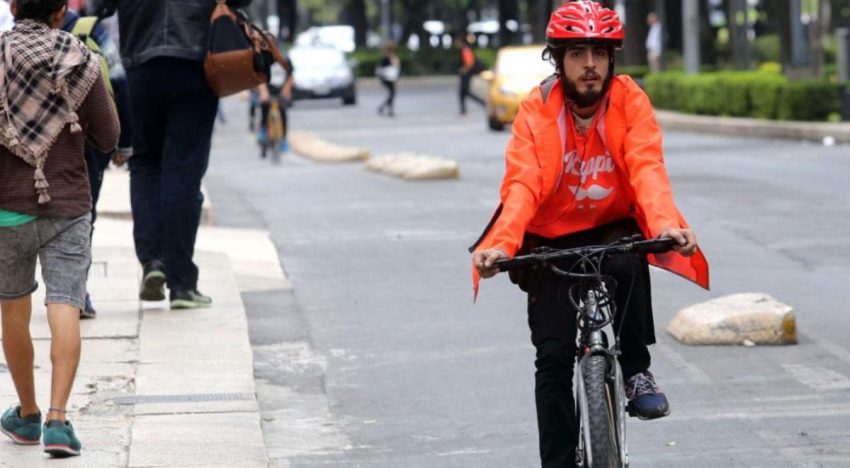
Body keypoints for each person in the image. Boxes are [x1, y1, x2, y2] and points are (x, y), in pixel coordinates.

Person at [469, 2, 709, 466]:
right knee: (554, 358)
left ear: (612, 59)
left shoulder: (629, 99)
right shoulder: (537, 109)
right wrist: (500, 243)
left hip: (610, 226)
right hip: (547, 237)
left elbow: (647, 168)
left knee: (628, 257)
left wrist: (665, 224)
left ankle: (637, 371)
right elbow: (522, 183)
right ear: (557, 60)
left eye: (600, 53)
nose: (591, 65)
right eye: (577, 54)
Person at [0, 0, 119, 457]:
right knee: (65, 303)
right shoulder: (81, 59)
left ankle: (26, 413)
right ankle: (57, 420)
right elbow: (107, 137)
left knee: (14, 309)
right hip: (68, 204)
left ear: (13, 8)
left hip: (7, 208)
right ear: (58, 13)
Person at [89, 0, 252, 309]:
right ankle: (182, 284)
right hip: (195, 65)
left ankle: (152, 261)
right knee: (184, 170)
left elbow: (100, 6)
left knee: (146, 163)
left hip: (141, 67)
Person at [62, 8, 133, 319]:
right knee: (82, 214)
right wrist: (123, 141)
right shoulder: (90, 29)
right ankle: (75, 293)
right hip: (86, 139)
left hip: (27, 145)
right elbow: (118, 80)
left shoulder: (10, 38)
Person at [256, 47, 293, 157]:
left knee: (283, 111)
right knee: (264, 108)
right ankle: (263, 129)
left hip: (280, 92)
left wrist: (286, 91)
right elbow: (259, 77)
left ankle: (283, 139)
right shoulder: (263, 59)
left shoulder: (285, 59)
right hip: (268, 91)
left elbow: (291, 76)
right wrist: (263, 92)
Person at [457, 35, 485, 115]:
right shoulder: (466, 49)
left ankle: (483, 103)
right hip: (467, 73)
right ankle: (463, 110)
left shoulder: (466, 50)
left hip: (467, 74)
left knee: (464, 91)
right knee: (464, 92)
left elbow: (470, 62)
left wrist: (464, 69)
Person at [376, 41, 400, 117]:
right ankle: (388, 109)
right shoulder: (387, 57)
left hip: (389, 78)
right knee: (392, 93)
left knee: (392, 93)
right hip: (388, 78)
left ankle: (384, 108)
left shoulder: (389, 56)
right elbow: (390, 68)